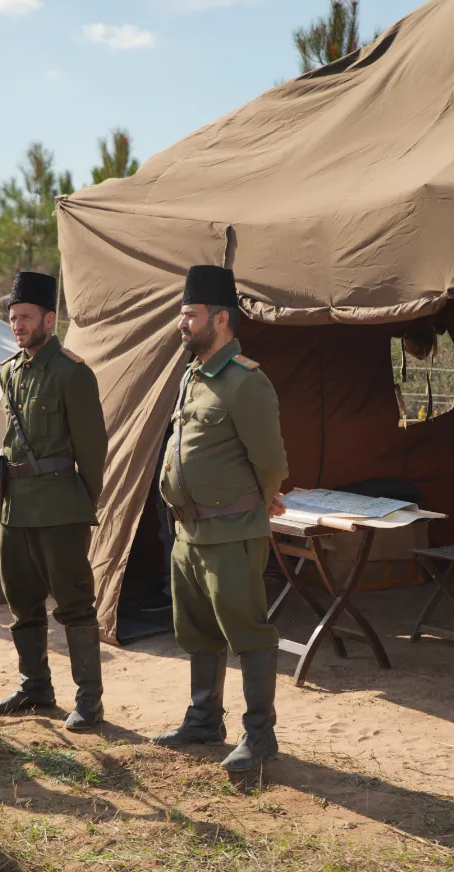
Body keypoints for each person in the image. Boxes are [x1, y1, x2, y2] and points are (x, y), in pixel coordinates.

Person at [153, 265, 288, 772]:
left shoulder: (245, 382)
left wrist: (262, 497)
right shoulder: (192, 375)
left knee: (246, 630)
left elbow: (270, 460)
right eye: (181, 314)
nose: (180, 324)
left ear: (221, 319)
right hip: (188, 531)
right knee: (197, 629)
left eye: (189, 314)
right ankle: (204, 720)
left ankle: (260, 737)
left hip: (232, 531)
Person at [0, 271, 108, 732]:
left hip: (59, 507)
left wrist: (81, 501)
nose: (17, 324)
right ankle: (34, 687)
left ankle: (89, 700)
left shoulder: (73, 373)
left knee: (74, 602)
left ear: (50, 320)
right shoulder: (9, 370)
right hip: (14, 506)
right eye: (13, 317)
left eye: (26, 317)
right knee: (21, 600)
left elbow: (93, 449)